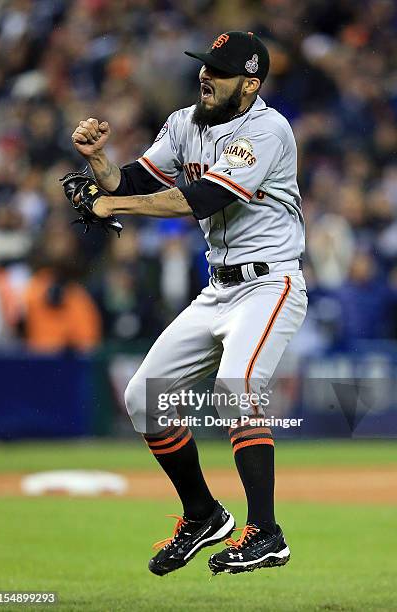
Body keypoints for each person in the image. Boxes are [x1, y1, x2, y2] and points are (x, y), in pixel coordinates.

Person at [71, 31, 307, 576]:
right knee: (142, 400)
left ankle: (266, 532)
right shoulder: (184, 123)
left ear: (250, 83)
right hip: (218, 288)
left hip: (269, 283)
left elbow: (202, 196)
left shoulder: (266, 129)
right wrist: (101, 163)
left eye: (220, 71)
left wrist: (112, 203)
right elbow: (134, 179)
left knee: (236, 386)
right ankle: (202, 513)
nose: (206, 75)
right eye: (205, 66)